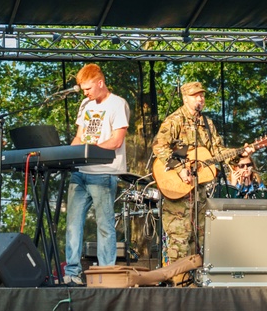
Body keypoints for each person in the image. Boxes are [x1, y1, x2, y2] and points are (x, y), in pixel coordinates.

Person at [152, 81, 253, 276]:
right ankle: (177, 287)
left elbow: (217, 151)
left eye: (202, 95)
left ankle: (195, 285)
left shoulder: (207, 123)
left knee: (200, 238)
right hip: (177, 190)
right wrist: (180, 168)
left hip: (199, 190)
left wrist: (240, 153)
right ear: (185, 98)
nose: (201, 98)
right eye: (196, 95)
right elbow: (159, 146)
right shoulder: (175, 120)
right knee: (180, 240)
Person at [62, 64, 130, 286]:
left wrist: (91, 151)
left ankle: (105, 273)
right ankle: (72, 273)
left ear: (100, 83)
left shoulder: (117, 104)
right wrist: (68, 156)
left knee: (105, 225)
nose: (85, 93)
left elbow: (116, 141)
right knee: (72, 224)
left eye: (88, 88)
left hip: (103, 173)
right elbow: (80, 136)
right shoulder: (85, 104)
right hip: (80, 173)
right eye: (83, 89)